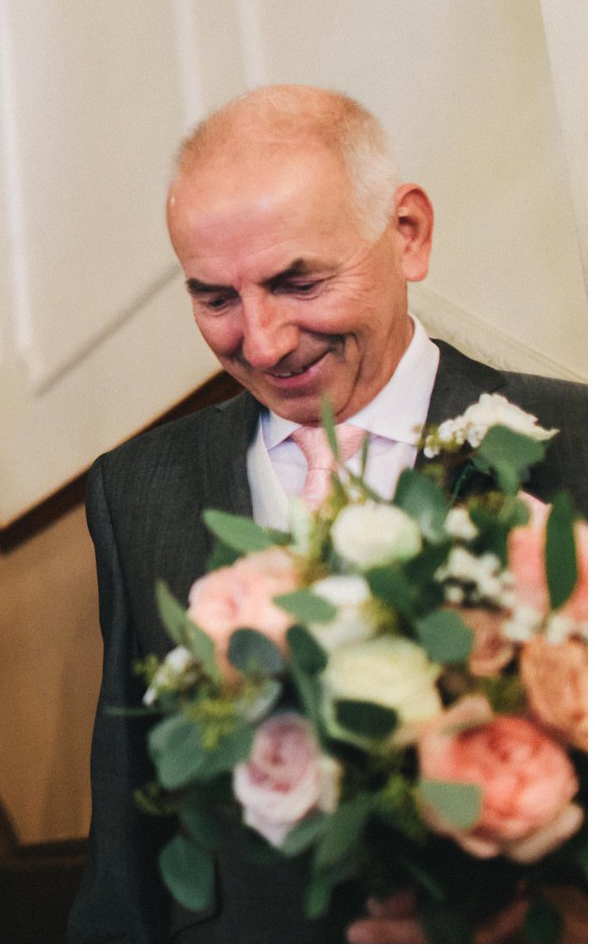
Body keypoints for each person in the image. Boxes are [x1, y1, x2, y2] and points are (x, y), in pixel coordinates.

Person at [67, 85, 587, 942]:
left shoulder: (579, 444)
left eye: (298, 280)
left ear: (408, 234)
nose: (263, 342)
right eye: (216, 298)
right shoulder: (136, 488)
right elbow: (129, 829)